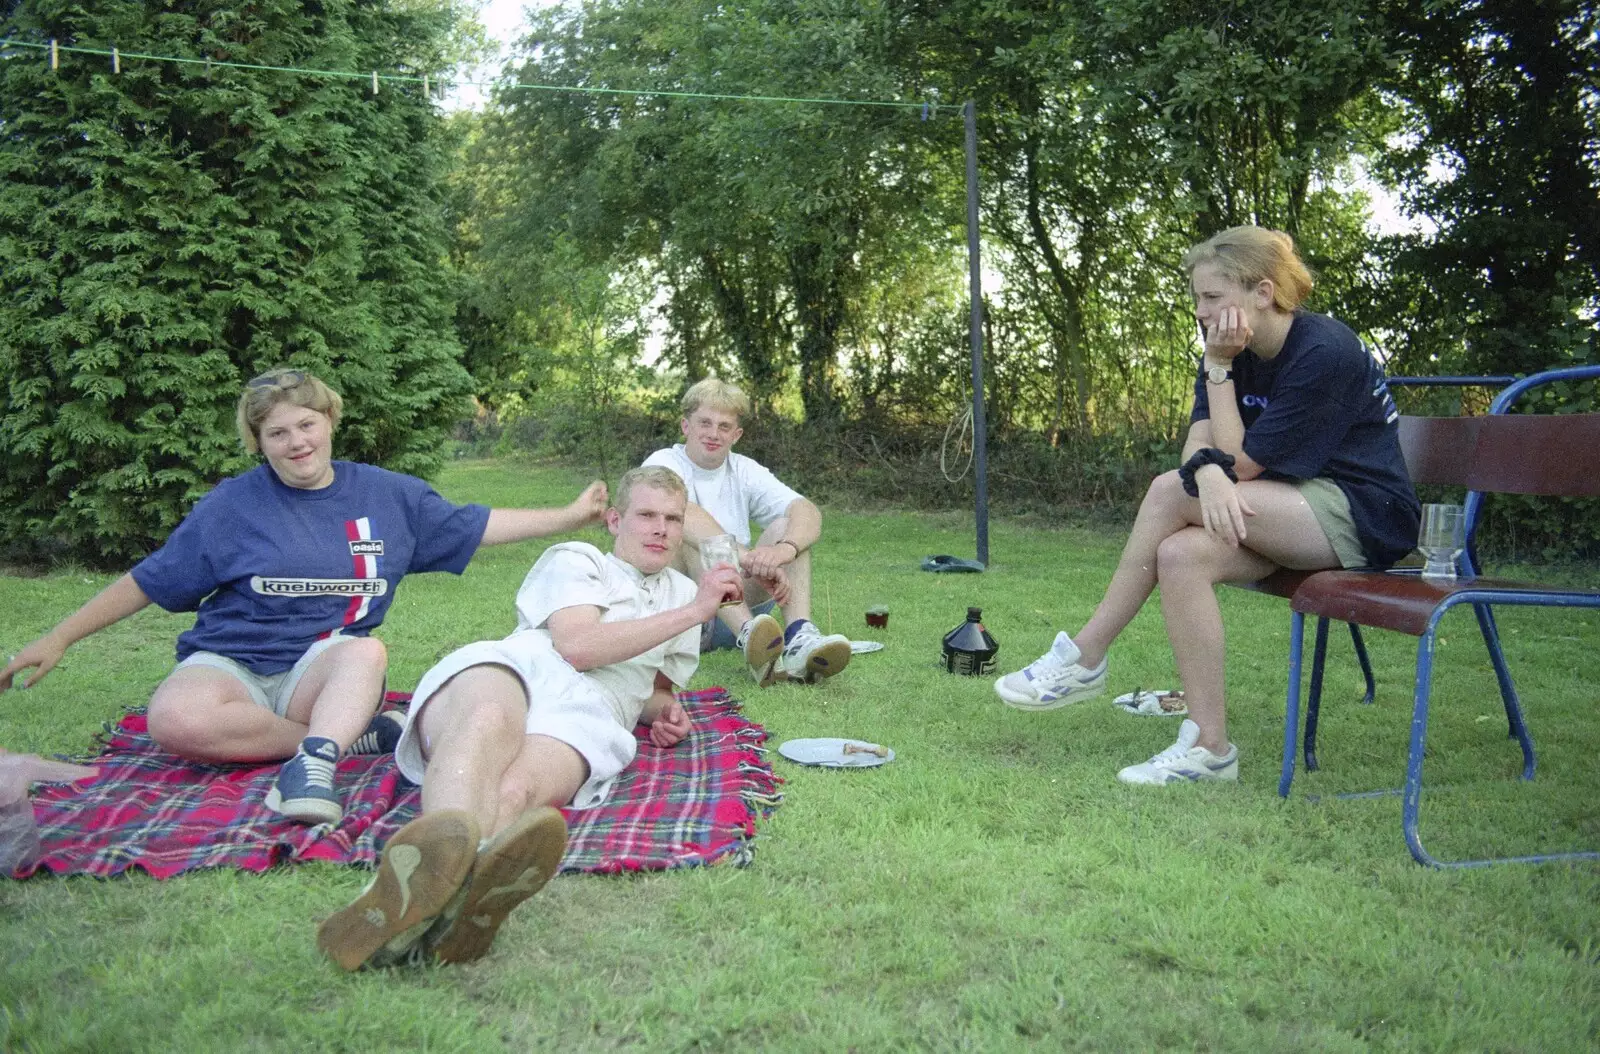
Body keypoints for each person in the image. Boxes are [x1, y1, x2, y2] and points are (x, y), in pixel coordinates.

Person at [0, 367, 607, 825]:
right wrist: (58, 637)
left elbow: (475, 526)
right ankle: (355, 736)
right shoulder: (232, 507)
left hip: (321, 667)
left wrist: (569, 515)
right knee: (171, 720)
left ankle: (314, 762)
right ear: (257, 442)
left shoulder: (387, 496)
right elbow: (149, 580)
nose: (296, 442)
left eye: (306, 425)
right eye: (276, 432)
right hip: (231, 664)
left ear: (330, 422)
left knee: (363, 652)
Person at [994, 226, 1419, 785]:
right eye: (1196, 298)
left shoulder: (1323, 351)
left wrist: (1217, 440)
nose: (1201, 310)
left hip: (1361, 515)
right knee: (1180, 555)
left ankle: (1087, 654)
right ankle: (1210, 748)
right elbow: (1199, 444)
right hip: (1280, 511)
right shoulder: (1228, 347)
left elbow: (1235, 463)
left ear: (1262, 292)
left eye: (1212, 297)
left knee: (1169, 490)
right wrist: (1214, 471)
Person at [315, 466, 739, 970]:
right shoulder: (577, 559)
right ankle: (442, 887)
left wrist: (667, 714)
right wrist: (696, 611)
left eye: (672, 519)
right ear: (613, 520)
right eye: (646, 515)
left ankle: (424, 906)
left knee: (517, 792)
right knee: (486, 721)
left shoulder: (682, 594)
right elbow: (578, 646)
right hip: (522, 670)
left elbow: (653, 689)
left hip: (594, 713)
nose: (660, 529)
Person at [642, 378, 851, 686]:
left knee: (787, 528)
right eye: (705, 423)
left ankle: (798, 638)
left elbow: (807, 511)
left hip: (736, 603)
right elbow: (682, 509)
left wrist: (785, 549)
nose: (714, 434)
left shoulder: (743, 469)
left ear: (736, 435)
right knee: (687, 533)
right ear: (686, 426)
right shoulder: (663, 463)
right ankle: (750, 636)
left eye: (724, 427)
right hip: (684, 614)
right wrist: (750, 559)